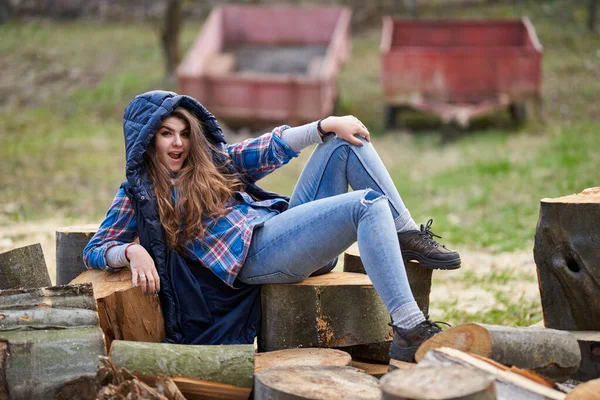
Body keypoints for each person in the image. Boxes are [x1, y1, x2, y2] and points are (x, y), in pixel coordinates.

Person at [84, 90, 461, 362]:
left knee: (344, 142)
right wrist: (132, 251)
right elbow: (97, 247)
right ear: (148, 140)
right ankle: (410, 328)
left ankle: (405, 231)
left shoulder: (209, 163)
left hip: (282, 233)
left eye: (184, 133)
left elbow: (263, 148)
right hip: (257, 258)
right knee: (366, 205)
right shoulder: (139, 194)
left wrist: (323, 125)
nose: (178, 143)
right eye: (166, 133)